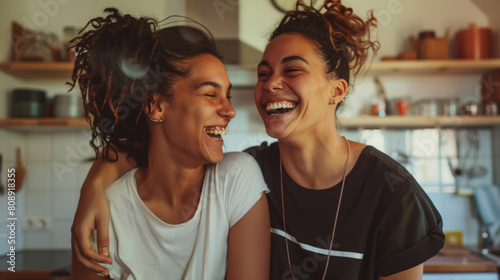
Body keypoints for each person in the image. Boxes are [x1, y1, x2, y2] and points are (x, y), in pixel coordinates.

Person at [71, 1, 445, 279]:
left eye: (292, 69)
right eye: (264, 73)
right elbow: (148, 150)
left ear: (337, 90)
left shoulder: (392, 195)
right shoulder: (252, 169)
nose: (270, 84)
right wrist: (95, 185)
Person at [67, 8, 270, 280]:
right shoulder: (107, 210)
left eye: (228, 96)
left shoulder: (236, 178)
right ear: (156, 105)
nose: (229, 110)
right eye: (211, 93)